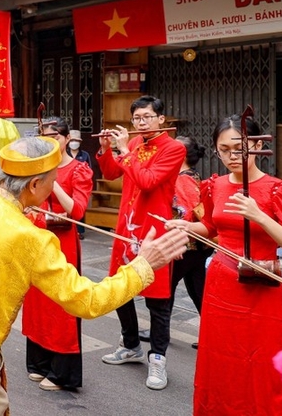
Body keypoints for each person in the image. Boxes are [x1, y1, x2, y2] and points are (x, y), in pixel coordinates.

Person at [0, 136, 190, 415]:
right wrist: (144, 265)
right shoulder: (32, 239)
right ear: (34, 185)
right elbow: (87, 300)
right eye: (52, 180)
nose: (53, 187)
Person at [166, 115, 282, 415]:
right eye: (223, 150)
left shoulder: (277, 189)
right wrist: (182, 228)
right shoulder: (215, 186)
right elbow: (212, 227)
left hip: (261, 287)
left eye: (238, 148)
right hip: (221, 286)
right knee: (220, 360)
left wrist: (260, 216)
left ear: (256, 145)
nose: (231, 157)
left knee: (260, 364)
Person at [97, 95, 185, 390]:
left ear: (162, 119)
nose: (141, 123)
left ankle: (158, 358)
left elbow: (147, 181)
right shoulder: (135, 145)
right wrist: (105, 150)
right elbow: (111, 174)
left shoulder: (174, 148)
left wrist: (124, 150)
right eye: (137, 118)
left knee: (157, 300)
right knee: (119, 290)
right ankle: (131, 343)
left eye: (147, 117)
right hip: (126, 228)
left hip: (153, 231)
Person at [22, 117, 94, 391]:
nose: (50, 141)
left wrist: (53, 182)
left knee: (61, 303)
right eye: (44, 136)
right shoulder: (36, 168)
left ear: (66, 138)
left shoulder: (79, 169)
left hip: (63, 243)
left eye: (54, 136)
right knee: (37, 300)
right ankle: (39, 362)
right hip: (39, 239)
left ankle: (62, 372)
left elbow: (77, 212)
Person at [168, 136, 210, 334]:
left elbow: (188, 212)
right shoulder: (191, 175)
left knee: (167, 287)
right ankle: (211, 333)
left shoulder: (183, 179)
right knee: (197, 289)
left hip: (189, 244)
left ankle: (160, 331)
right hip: (197, 245)